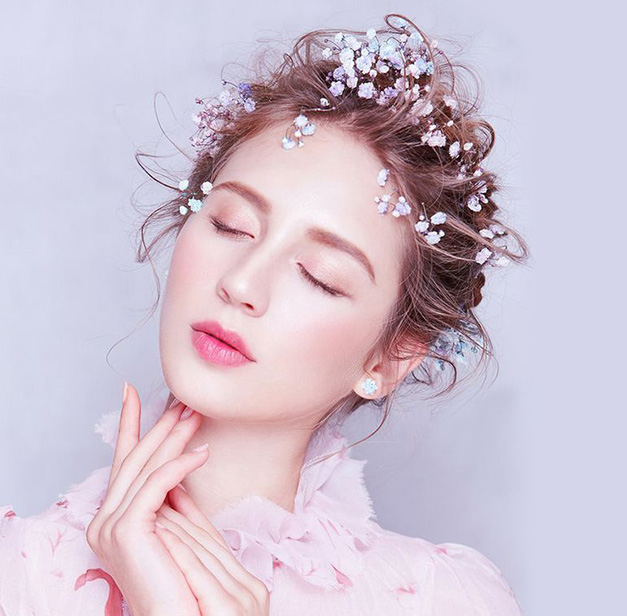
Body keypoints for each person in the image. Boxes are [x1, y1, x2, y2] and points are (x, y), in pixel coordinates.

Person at [0, 13, 529, 616]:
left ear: (389, 358)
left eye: (319, 275)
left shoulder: (448, 601)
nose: (241, 283)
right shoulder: (16, 579)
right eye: (232, 225)